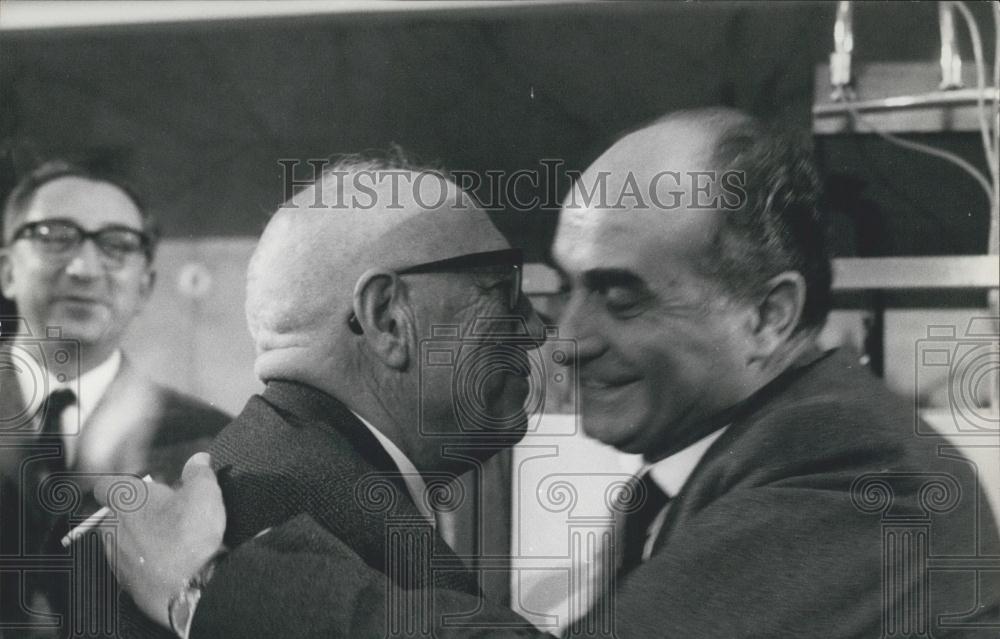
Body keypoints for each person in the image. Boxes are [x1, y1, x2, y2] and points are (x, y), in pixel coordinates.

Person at [98, 109, 999, 638]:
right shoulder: (292, 504)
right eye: (524, 292)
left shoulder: (857, 466)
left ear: (768, 314)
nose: (556, 339)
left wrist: (212, 586)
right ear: (385, 320)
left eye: (621, 295)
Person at [0, 161, 230, 637]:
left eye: (118, 245)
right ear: (6, 270)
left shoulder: (208, 441)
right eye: (53, 236)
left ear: (145, 283)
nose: (84, 269)